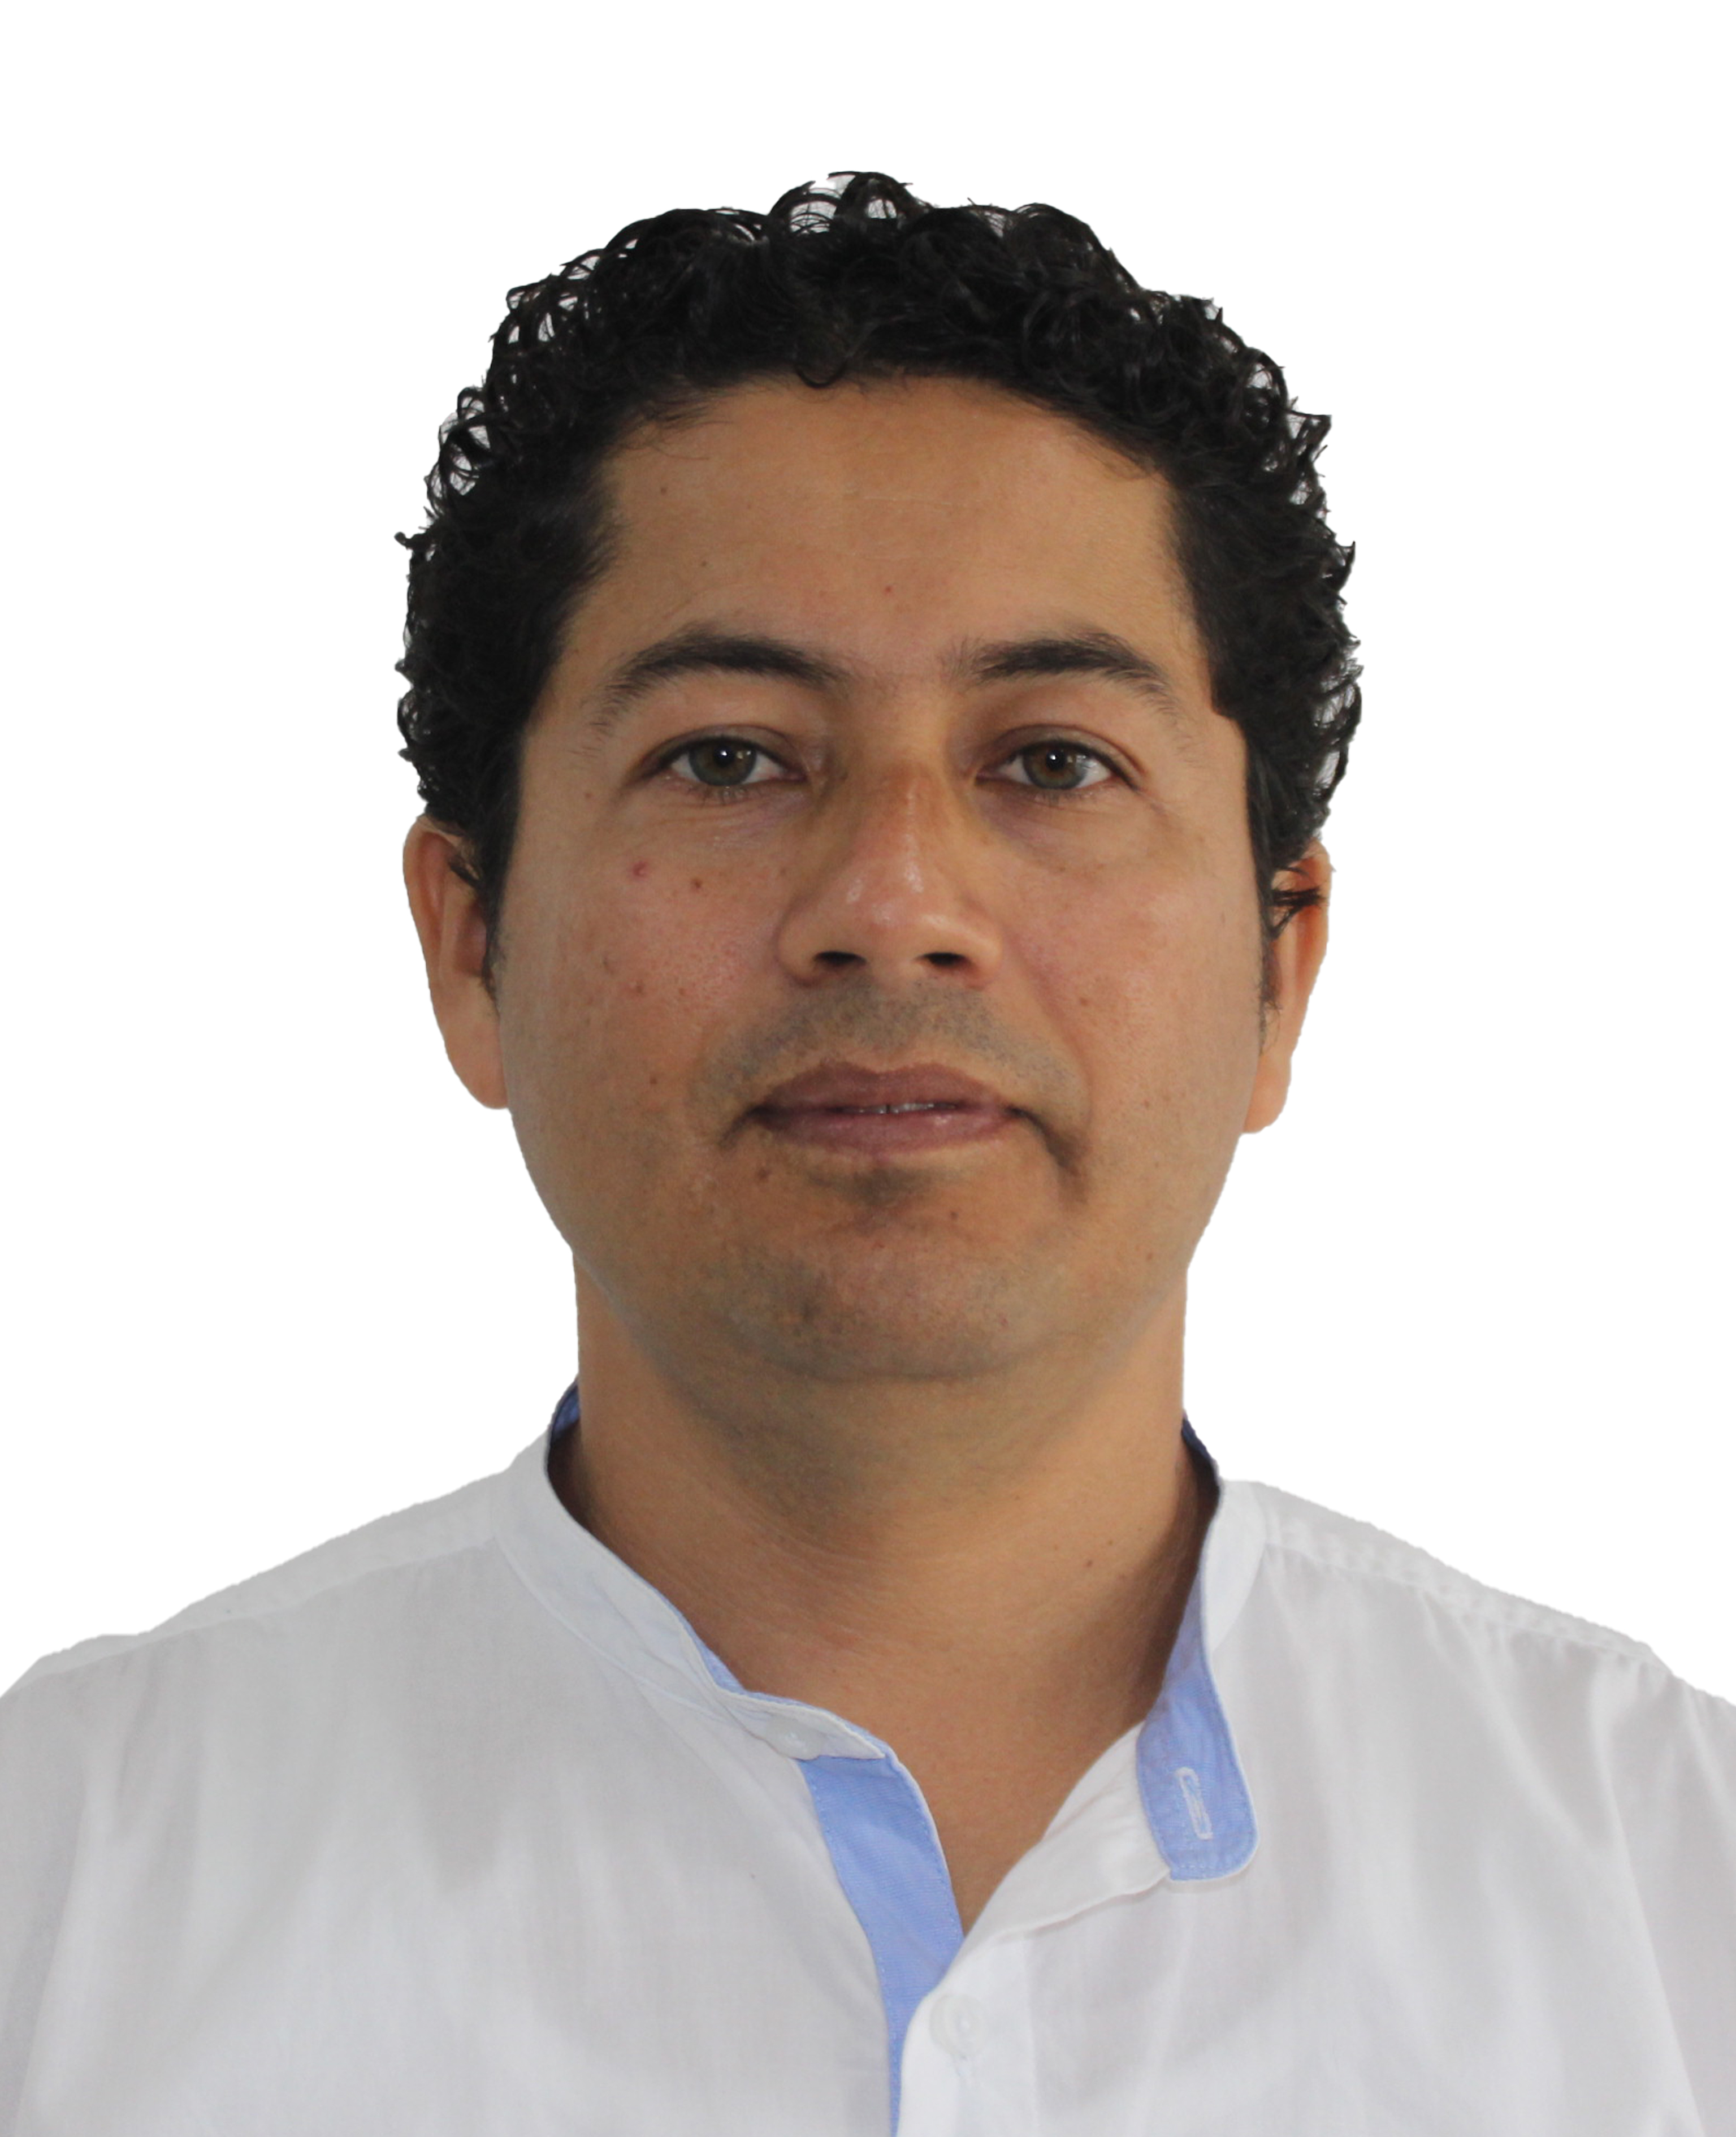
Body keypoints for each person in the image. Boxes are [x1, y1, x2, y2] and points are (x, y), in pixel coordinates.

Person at [1, 172, 1729, 2137]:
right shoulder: (59, 1897)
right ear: (472, 942)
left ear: (1282, 965)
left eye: (1054, 760)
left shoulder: (1679, 1904)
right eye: (729, 756)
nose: (896, 902)